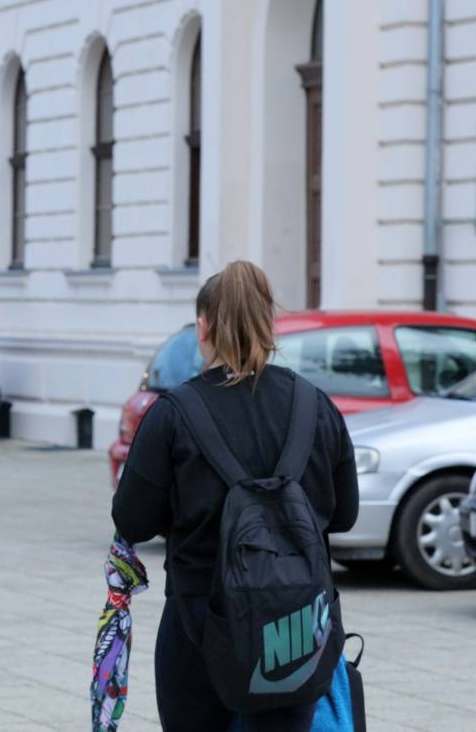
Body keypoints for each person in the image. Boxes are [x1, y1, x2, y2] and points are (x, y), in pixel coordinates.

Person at [111, 261, 358, 732]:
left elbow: (133, 520)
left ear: (202, 327)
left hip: (199, 619)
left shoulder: (173, 414)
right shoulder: (315, 406)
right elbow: (344, 515)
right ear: (269, 324)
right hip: (296, 626)